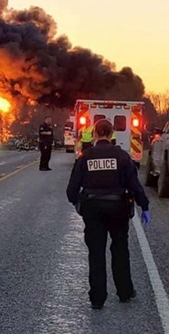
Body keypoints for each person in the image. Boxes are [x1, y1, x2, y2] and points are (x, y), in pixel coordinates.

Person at [66, 118, 150, 310]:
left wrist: (78, 203)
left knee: (96, 252)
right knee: (120, 249)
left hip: (93, 209)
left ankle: (97, 298)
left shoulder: (85, 157)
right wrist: (144, 206)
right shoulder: (122, 156)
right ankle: (124, 291)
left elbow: (71, 190)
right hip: (118, 208)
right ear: (112, 134)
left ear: (95, 134)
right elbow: (134, 185)